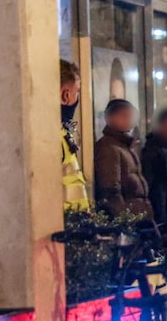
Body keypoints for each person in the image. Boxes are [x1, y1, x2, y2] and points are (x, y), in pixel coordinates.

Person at [94, 99, 152, 218]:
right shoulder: (108, 147)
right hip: (129, 218)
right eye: (123, 116)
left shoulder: (126, 146)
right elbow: (110, 190)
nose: (128, 120)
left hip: (138, 216)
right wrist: (122, 220)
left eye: (130, 116)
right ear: (110, 119)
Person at [59, 60, 91, 212]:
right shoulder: (54, 138)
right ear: (65, 95)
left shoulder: (62, 133)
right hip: (59, 226)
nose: (77, 98)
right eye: (76, 91)